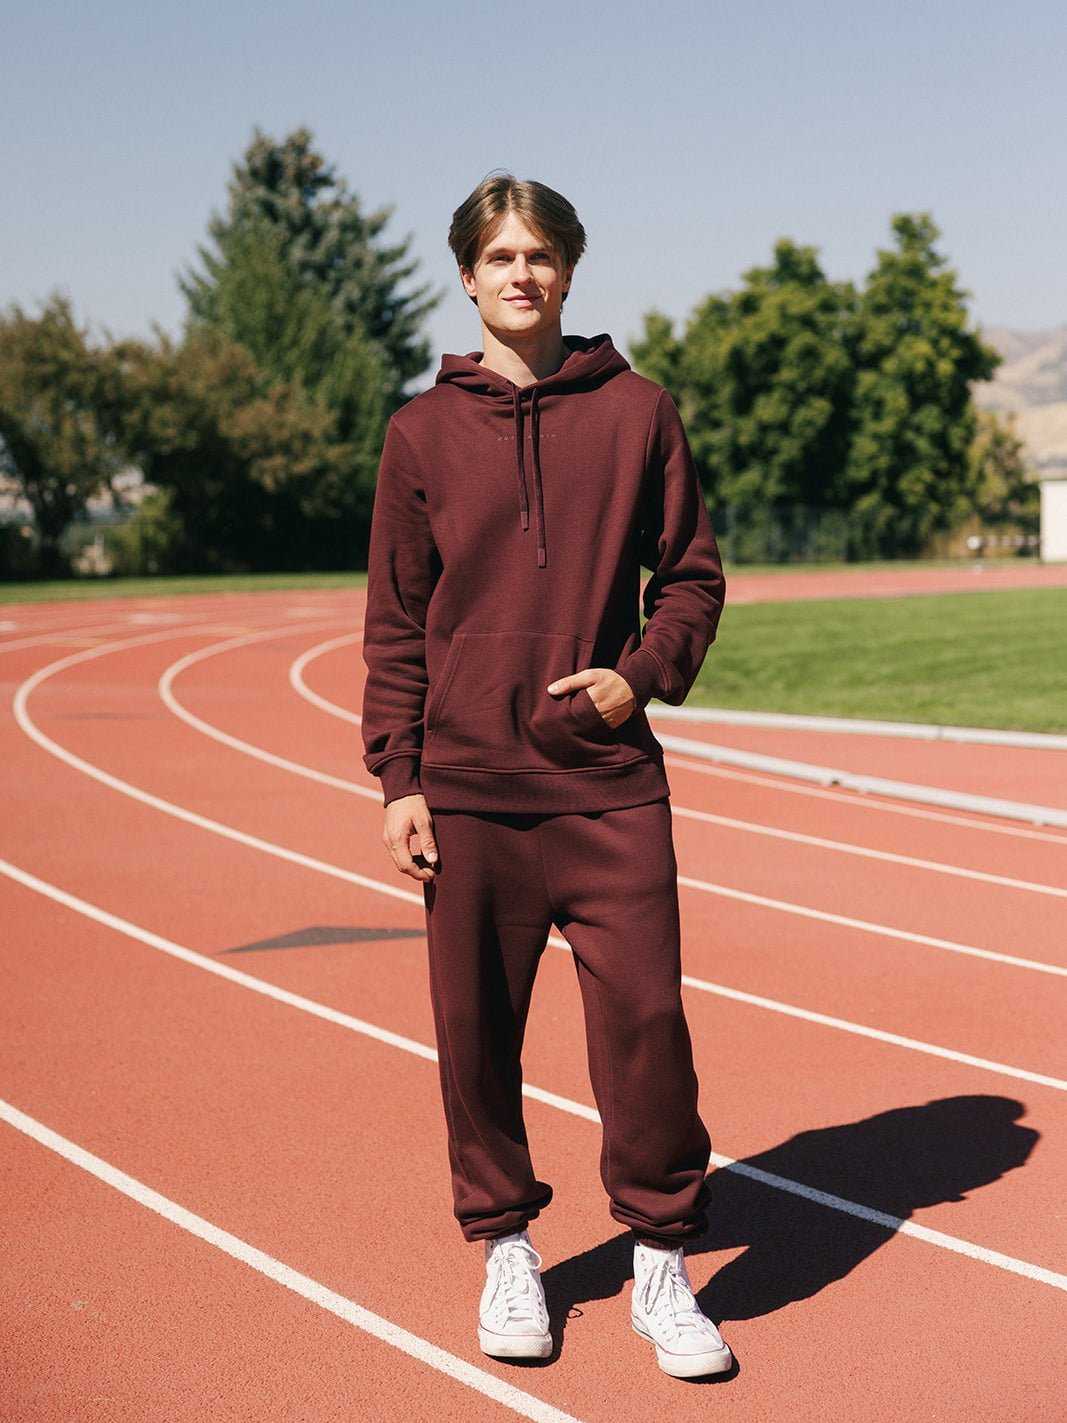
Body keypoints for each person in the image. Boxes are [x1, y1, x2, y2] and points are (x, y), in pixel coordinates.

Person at [360, 173, 730, 1380]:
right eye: (498, 255)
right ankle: (506, 1243)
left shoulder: (638, 413)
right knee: (474, 1039)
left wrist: (640, 674)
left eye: (540, 254)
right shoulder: (417, 433)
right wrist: (397, 774)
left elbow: (689, 577)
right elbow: (396, 624)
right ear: (466, 275)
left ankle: (660, 1260)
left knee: (647, 1027)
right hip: (466, 789)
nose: (520, 273)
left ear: (568, 271)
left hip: (608, 784)